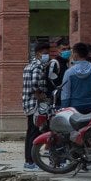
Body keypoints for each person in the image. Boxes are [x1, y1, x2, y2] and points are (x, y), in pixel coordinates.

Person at [22, 42, 51, 170]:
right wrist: (41, 95)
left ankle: (29, 160)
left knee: (30, 132)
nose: (47, 55)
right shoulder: (38, 66)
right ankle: (31, 161)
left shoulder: (28, 66)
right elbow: (35, 84)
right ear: (38, 53)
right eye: (45, 53)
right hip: (35, 104)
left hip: (28, 103)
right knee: (34, 132)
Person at [60, 42, 91, 114]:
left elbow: (66, 94)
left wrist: (64, 109)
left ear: (76, 54)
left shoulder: (69, 72)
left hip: (74, 107)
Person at [46, 39, 68, 106]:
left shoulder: (68, 63)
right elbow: (50, 83)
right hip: (57, 101)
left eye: (68, 49)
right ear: (58, 50)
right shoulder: (54, 63)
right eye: (63, 49)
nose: (66, 51)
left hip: (66, 99)